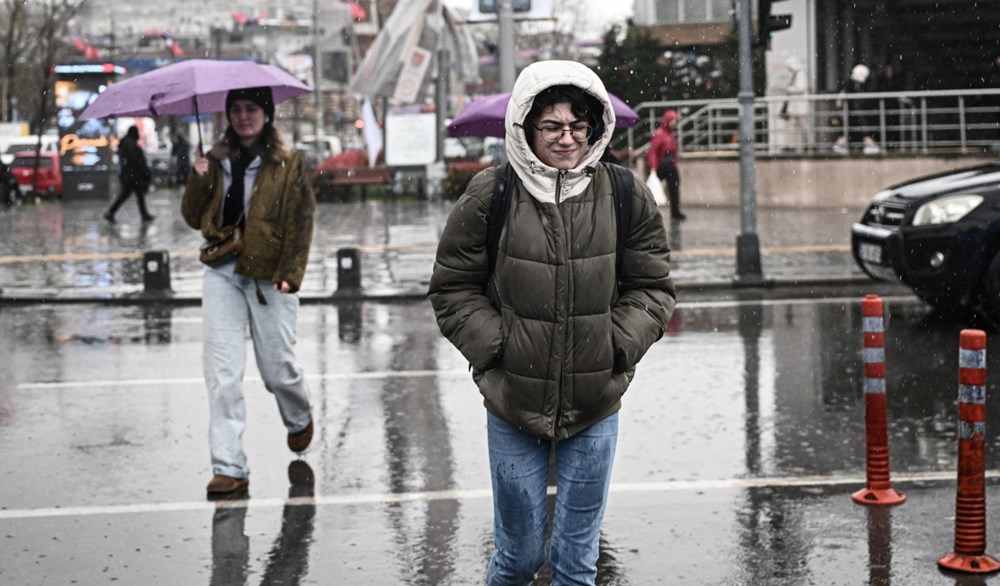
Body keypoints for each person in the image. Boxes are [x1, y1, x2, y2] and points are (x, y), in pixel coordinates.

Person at [428, 60, 676, 585]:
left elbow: (652, 287)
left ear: (594, 127)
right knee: (517, 559)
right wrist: (499, 348)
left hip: (596, 401)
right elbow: (452, 288)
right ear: (526, 127)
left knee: (576, 563)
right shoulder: (490, 193)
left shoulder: (625, 193)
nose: (567, 139)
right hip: (513, 399)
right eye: (552, 126)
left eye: (578, 125)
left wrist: (615, 346)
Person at [181, 86, 316, 498]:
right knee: (222, 375)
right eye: (236, 109)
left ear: (266, 115)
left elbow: (301, 221)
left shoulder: (289, 163)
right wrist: (199, 179)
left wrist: (291, 274)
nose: (243, 117)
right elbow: (192, 217)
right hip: (222, 271)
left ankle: (298, 415)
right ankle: (229, 466)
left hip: (270, 275)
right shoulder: (216, 161)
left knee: (278, 369)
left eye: (251, 109)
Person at [104, 125, 154, 223]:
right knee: (133, 195)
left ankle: (111, 212)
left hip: (130, 175)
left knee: (130, 194)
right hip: (132, 175)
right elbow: (134, 159)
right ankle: (111, 212)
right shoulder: (130, 143)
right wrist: (141, 167)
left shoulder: (127, 142)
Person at [646, 109, 685, 219]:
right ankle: (648, 212)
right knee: (652, 190)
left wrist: (675, 163)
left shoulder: (670, 134)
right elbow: (653, 151)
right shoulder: (659, 134)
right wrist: (653, 167)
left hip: (671, 166)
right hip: (660, 167)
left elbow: (674, 150)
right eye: (672, 121)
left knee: (674, 189)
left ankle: (675, 212)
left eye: (675, 122)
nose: (674, 124)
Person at [834, 64, 880, 155]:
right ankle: (868, 144)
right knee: (851, 128)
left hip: (851, 114)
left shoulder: (854, 86)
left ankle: (867, 144)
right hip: (847, 115)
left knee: (850, 129)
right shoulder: (849, 86)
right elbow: (841, 101)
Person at [782, 55, 810, 152]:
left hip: (800, 105)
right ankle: (790, 145)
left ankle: (808, 144)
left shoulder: (800, 74)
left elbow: (800, 88)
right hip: (795, 106)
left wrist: (789, 89)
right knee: (792, 125)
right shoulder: (796, 74)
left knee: (803, 125)